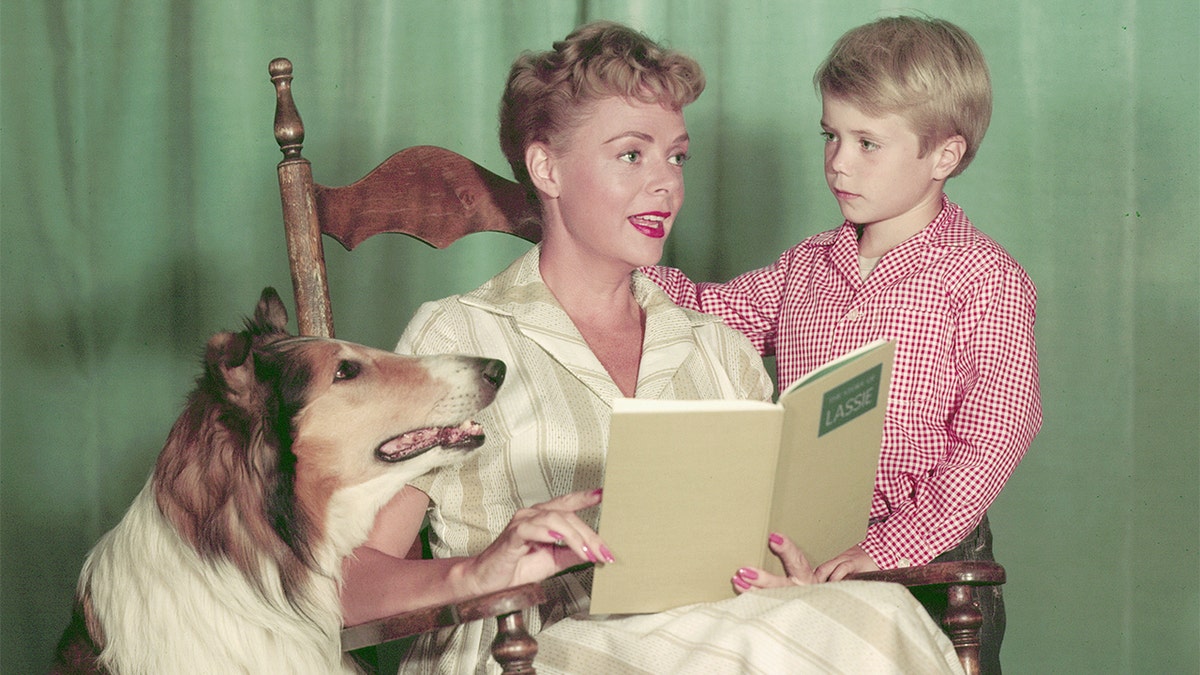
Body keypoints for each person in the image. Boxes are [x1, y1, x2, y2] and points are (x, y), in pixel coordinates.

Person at [341, 21, 963, 674]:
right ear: (546, 167)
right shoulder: (458, 338)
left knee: (882, 611)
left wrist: (792, 573)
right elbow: (343, 580)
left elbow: (770, 574)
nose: (667, 183)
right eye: (633, 154)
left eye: (677, 156)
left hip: (723, 641)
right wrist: (475, 570)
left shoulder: (719, 352)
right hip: (524, 648)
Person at [647, 15, 1042, 673]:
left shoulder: (984, 278)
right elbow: (715, 313)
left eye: (867, 143)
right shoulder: (809, 263)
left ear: (943, 154)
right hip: (810, 550)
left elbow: (997, 433)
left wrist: (896, 546)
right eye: (830, 135)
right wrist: (617, 266)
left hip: (934, 566)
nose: (838, 162)